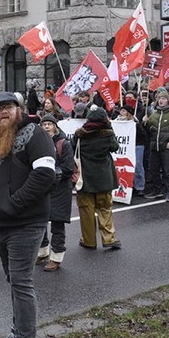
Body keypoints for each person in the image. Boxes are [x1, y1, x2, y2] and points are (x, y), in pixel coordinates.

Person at [0, 92, 56, 338]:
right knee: (13, 280)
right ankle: (18, 333)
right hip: (0, 222)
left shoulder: (34, 134)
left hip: (26, 221)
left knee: (21, 281)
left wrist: (14, 204)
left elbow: (45, 174)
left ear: (18, 111)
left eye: (9, 107)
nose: (3, 112)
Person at [73, 105, 121, 249]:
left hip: (85, 178)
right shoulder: (107, 133)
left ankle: (88, 241)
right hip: (104, 176)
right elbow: (115, 147)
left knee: (86, 210)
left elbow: (73, 147)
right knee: (105, 208)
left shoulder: (79, 134)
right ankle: (109, 239)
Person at [37, 113, 74, 271]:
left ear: (55, 126)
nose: (46, 127)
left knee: (57, 223)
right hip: (43, 188)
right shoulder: (38, 143)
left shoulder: (64, 144)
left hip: (60, 188)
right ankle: (43, 251)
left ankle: (56, 257)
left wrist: (49, 173)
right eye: (44, 124)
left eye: (49, 124)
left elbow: (68, 168)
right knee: (39, 222)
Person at [117, 105, 147, 197]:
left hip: (137, 145)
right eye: (121, 111)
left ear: (129, 113)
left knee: (137, 166)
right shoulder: (117, 122)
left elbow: (144, 135)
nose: (121, 113)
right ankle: (130, 186)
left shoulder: (135, 123)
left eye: (124, 111)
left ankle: (140, 187)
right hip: (126, 147)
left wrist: (136, 124)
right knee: (124, 166)